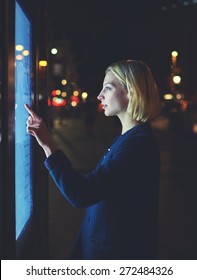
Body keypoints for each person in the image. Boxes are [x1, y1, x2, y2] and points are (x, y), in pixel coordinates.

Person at [25, 59, 161, 260]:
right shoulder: (131, 139)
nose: (99, 95)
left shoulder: (135, 145)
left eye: (108, 88)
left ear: (131, 91)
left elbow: (82, 193)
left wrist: (48, 145)